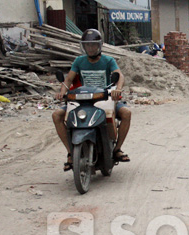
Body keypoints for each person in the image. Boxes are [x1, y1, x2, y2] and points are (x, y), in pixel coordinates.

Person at [52, 29, 131, 171]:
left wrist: (117, 89)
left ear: (99, 46)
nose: (90, 48)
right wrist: (62, 92)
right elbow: (68, 79)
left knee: (126, 113)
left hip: (104, 98)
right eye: (87, 45)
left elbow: (120, 76)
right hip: (82, 100)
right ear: (83, 46)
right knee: (57, 115)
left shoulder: (108, 60)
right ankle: (71, 153)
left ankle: (117, 149)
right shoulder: (79, 61)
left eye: (93, 45)